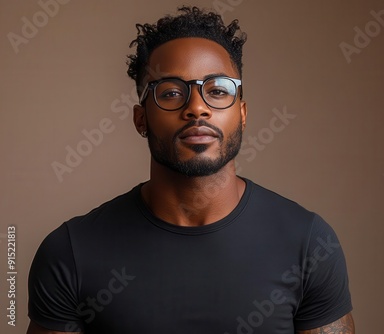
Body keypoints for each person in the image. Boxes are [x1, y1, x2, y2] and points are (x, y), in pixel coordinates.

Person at [27, 6, 354, 334]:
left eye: (217, 90)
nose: (197, 107)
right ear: (141, 119)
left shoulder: (309, 244)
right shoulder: (70, 252)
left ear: (242, 113)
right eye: (170, 92)